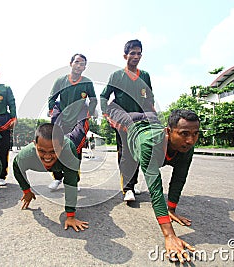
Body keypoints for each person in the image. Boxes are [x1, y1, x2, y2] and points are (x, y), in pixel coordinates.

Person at [104, 103, 200, 263]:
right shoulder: (149, 145)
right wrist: (169, 234)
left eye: (195, 134)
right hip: (130, 125)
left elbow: (179, 178)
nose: (190, 140)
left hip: (150, 120)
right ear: (168, 132)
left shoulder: (187, 147)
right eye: (184, 134)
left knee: (148, 115)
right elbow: (156, 189)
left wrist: (171, 209)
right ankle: (128, 188)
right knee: (127, 159)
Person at [100, 39, 155, 202]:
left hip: (140, 120)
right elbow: (104, 96)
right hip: (122, 121)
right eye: (132, 53)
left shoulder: (144, 75)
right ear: (125, 56)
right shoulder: (117, 76)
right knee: (125, 153)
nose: (136, 56)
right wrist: (106, 114)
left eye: (139, 53)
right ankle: (127, 188)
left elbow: (149, 97)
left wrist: (153, 115)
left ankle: (132, 183)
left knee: (138, 151)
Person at [12, 123, 89, 232]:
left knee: (73, 177)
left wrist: (70, 216)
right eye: (42, 151)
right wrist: (26, 191)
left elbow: (70, 184)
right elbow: (16, 166)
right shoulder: (27, 155)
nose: (47, 157)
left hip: (67, 155)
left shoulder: (68, 151)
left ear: (61, 146)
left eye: (53, 151)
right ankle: (57, 176)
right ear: (35, 144)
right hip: (56, 161)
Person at [47, 53, 97, 190]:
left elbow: (93, 99)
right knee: (55, 144)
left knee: (75, 148)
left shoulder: (87, 82)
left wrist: (91, 111)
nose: (79, 65)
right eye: (77, 62)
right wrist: (51, 110)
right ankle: (57, 178)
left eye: (82, 64)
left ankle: (73, 180)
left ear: (84, 67)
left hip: (78, 117)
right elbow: (52, 97)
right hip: (62, 116)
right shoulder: (60, 81)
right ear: (71, 64)